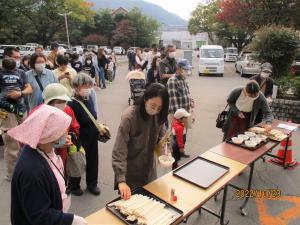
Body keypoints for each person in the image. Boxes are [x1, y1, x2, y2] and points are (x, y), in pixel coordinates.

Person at [9, 104, 87, 225]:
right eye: (63, 130)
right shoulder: (31, 170)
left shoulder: (44, 148)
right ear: (50, 134)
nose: (66, 134)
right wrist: (73, 220)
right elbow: (40, 216)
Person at [112, 83, 169, 200]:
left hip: (150, 171)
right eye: (153, 106)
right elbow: (119, 150)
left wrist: (167, 151)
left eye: (159, 108)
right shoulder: (129, 117)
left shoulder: (158, 116)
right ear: (145, 99)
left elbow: (164, 139)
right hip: (131, 174)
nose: (155, 110)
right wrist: (121, 180)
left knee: (150, 204)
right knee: (131, 211)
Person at [0, 47, 32, 181]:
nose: (18, 60)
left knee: (26, 140)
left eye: (19, 57)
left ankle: (25, 170)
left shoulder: (21, 72)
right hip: (6, 111)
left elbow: (29, 88)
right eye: (16, 57)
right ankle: (12, 174)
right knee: (11, 142)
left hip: (21, 109)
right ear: (7, 57)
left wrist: (20, 93)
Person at [67, 74, 100, 196]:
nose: (87, 88)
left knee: (93, 160)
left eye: (89, 85)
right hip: (79, 138)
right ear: (76, 87)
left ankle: (92, 184)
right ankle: (74, 185)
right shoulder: (71, 103)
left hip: (92, 136)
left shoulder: (89, 98)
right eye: (84, 86)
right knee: (77, 160)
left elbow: (94, 115)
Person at [167, 59, 193, 158]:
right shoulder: (172, 80)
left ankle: (181, 151)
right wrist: (180, 118)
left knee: (183, 134)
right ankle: (174, 153)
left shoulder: (183, 80)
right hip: (176, 114)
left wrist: (191, 101)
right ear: (179, 69)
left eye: (188, 69)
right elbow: (173, 101)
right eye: (185, 69)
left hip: (184, 114)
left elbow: (186, 95)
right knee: (175, 134)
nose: (187, 71)